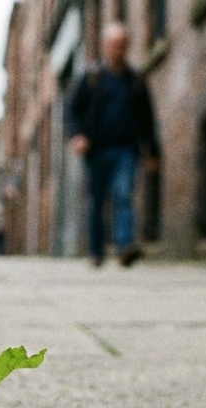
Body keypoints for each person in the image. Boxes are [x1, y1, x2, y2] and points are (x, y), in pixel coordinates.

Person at [66, 22, 160, 267]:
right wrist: (77, 135)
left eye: (121, 45)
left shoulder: (136, 80)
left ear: (126, 47)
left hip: (126, 149)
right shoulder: (91, 78)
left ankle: (124, 247)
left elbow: (148, 119)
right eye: (113, 45)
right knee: (97, 201)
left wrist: (152, 151)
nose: (117, 50)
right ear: (105, 47)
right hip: (96, 151)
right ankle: (96, 251)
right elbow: (72, 111)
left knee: (123, 194)